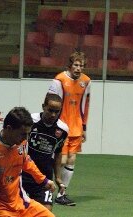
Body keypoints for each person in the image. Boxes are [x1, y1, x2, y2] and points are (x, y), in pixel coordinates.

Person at [47, 51, 91, 206]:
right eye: (76, 65)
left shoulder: (86, 81)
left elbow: (85, 106)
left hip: (77, 127)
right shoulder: (59, 80)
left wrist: (84, 126)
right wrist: (52, 123)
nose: (79, 68)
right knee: (61, 159)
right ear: (70, 65)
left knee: (72, 159)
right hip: (61, 126)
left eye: (82, 66)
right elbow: (50, 103)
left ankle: (61, 194)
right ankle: (47, 187)